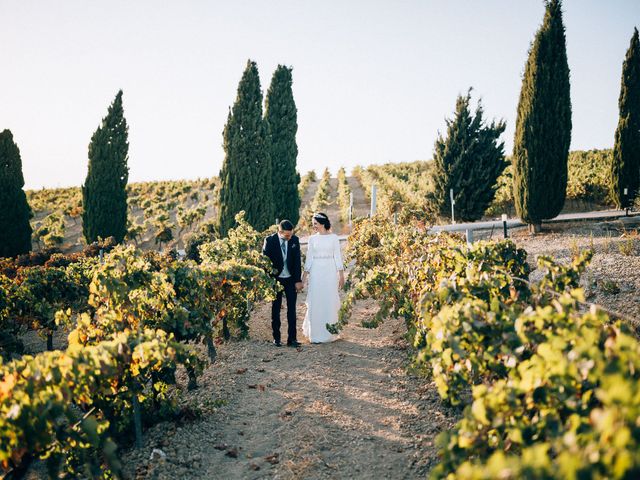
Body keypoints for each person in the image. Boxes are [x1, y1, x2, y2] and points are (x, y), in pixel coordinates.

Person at [301, 212, 344, 343]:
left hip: (329, 272)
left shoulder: (334, 238)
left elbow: (337, 257)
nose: (314, 226)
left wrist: (341, 275)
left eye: (316, 223)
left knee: (329, 299)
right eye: (313, 224)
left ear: (323, 223)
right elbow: (309, 259)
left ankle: (330, 332)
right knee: (316, 300)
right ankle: (315, 334)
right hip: (316, 272)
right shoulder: (312, 239)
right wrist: (304, 276)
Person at [262, 220, 303, 347]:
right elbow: (265, 263)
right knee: (276, 308)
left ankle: (292, 339)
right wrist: (269, 281)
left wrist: (298, 280)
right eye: (286, 235)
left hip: (290, 279)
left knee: (292, 309)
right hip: (276, 279)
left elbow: (297, 262)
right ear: (279, 232)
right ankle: (277, 338)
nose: (289, 237)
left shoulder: (295, 240)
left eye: (291, 234)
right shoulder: (269, 241)